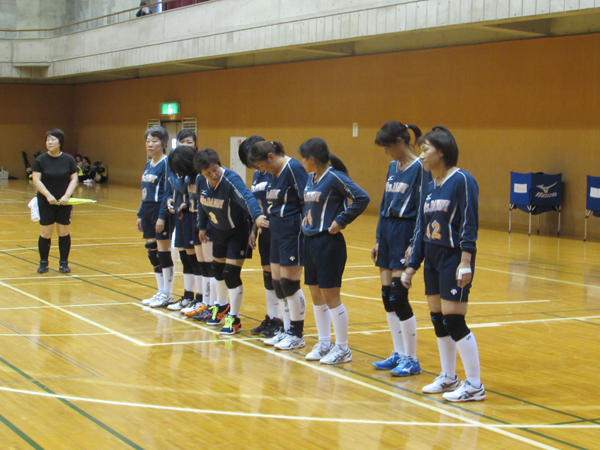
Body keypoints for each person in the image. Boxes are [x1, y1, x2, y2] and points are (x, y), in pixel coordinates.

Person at [402, 125, 485, 402]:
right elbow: (422, 230)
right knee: (438, 319)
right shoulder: (429, 186)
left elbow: (470, 222)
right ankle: (448, 376)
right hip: (432, 259)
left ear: (442, 151)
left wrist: (466, 260)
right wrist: (412, 266)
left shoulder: (463, 180)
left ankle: (474, 385)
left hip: (453, 257)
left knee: (454, 320)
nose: (421, 155)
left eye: (425, 150)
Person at [299, 138, 370, 364]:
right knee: (316, 295)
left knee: (331, 297)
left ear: (311, 159)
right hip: (309, 241)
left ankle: (343, 348)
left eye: (304, 158)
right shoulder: (310, 178)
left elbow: (362, 198)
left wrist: (341, 220)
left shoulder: (335, 177)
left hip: (328, 243)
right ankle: (324, 343)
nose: (302, 162)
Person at [371, 120, 431, 377]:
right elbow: (384, 203)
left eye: (388, 147)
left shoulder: (420, 168)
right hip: (387, 231)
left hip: (405, 232)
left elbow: (422, 210)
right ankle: (398, 352)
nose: (386, 152)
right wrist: (378, 238)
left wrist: (414, 243)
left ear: (400, 142)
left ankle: (411, 358)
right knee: (387, 296)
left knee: (398, 295)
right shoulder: (392, 167)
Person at [193, 148, 268, 334]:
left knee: (231, 273)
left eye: (215, 169)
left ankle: (234, 318)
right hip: (218, 230)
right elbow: (201, 203)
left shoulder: (230, 180)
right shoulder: (201, 181)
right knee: (217, 269)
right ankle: (221, 306)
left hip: (238, 231)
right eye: (208, 173)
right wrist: (201, 226)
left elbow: (247, 197)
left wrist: (257, 216)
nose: (213, 174)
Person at [249, 141, 309, 350]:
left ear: (271, 156)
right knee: (277, 283)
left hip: (292, 231)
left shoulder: (293, 169)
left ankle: (297, 334)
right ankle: (285, 328)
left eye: (261, 165)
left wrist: (305, 226)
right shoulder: (273, 173)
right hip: (275, 230)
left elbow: (307, 199)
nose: (262, 170)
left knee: (289, 283)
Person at [238, 136, 283, 337]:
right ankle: (272, 317)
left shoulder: (275, 172)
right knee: (267, 276)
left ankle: (282, 320)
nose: (253, 166)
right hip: (264, 230)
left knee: (280, 278)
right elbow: (256, 204)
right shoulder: (258, 174)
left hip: (279, 229)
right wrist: (253, 230)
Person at [137, 126, 175, 308]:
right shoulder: (148, 164)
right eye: (148, 141)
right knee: (152, 252)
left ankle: (168, 293)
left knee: (163, 253)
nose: (150, 145)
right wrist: (140, 214)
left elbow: (168, 191)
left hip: (160, 210)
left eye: (154, 141)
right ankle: (160, 291)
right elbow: (145, 192)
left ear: (164, 143)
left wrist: (162, 216)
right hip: (147, 211)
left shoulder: (167, 163)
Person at [32, 129, 78, 273]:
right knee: (46, 232)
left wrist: (67, 196)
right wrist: (48, 196)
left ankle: (64, 263)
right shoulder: (40, 160)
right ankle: (43, 263)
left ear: (60, 142)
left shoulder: (69, 160)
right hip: (46, 201)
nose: (50, 142)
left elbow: (74, 179)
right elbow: (36, 180)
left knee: (63, 232)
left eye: (53, 139)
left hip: (64, 202)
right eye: (47, 140)